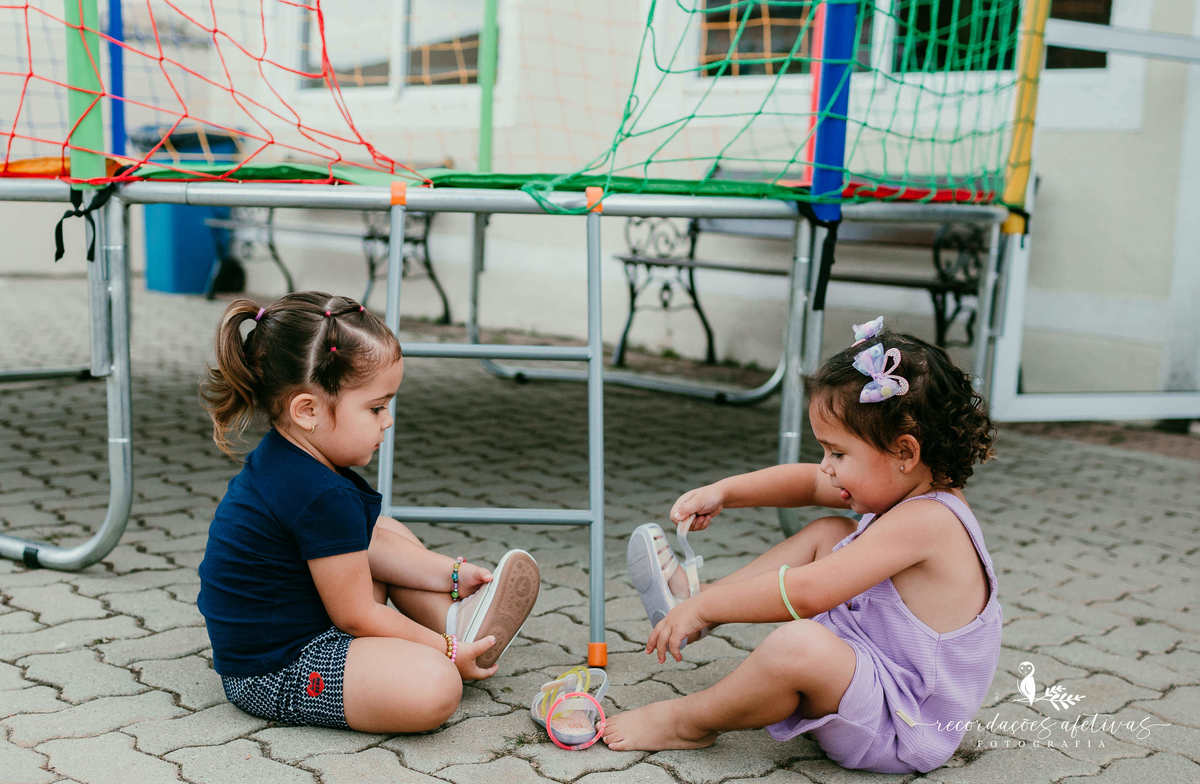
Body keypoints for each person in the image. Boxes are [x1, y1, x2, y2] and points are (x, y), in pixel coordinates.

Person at [608, 316, 1000, 774]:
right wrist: (727, 492)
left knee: (798, 644)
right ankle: (692, 600)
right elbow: (808, 483)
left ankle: (687, 720)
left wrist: (715, 609)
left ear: (904, 452)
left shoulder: (929, 520)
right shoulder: (901, 484)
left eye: (837, 453)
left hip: (901, 728)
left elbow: (807, 592)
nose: (826, 466)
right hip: (870, 679)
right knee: (830, 531)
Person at [197, 292, 540, 734]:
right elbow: (356, 615)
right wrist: (444, 654)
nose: (388, 420)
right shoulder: (317, 493)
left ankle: (455, 618)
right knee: (435, 686)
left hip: (314, 618)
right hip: (279, 669)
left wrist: (451, 574)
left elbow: (366, 546)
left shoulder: (290, 459)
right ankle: (452, 638)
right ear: (307, 410)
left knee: (382, 529)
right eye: (376, 407)